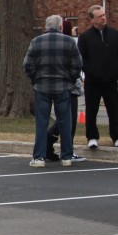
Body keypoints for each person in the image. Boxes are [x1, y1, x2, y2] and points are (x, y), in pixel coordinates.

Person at [24, 15, 82, 168]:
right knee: (65, 122)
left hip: (42, 86)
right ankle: (66, 156)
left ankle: (39, 157)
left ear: (46, 26)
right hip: (63, 86)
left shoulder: (36, 42)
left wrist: (35, 79)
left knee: (41, 123)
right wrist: (70, 79)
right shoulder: (69, 41)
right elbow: (77, 64)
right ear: (60, 27)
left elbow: (28, 64)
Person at [77, 5, 118, 149]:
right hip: (92, 81)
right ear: (92, 19)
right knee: (91, 109)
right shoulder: (85, 37)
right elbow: (81, 59)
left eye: (104, 15)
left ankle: (116, 136)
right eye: (100, 16)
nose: (103, 18)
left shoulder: (114, 34)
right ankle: (92, 137)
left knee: (114, 109)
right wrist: (90, 71)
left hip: (111, 80)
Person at [46, 19, 85, 162]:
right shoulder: (69, 43)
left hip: (57, 86)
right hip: (69, 87)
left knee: (64, 118)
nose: (75, 30)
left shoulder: (52, 43)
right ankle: (65, 149)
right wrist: (74, 80)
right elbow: (76, 64)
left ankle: (50, 140)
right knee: (69, 120)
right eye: (72, 28)